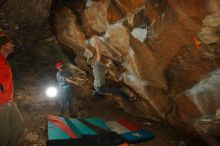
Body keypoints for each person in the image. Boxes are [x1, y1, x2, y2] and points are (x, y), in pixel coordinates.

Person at [91, 36, 136, 102]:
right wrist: (96, 40)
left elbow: (97, 55)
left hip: (97, 85)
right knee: (117, 90)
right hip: (100, 88)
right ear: (95, 61)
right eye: (95, 58)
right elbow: (98, 52)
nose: (96, 57)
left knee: (111, 85)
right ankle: (129, 99)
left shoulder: (94, 65)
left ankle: (97, 93)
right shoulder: (97, 65)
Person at [0, 31, 25, 146]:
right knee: (4, 135)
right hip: (0, 104)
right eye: (11, 43)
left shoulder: (5, 62)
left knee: (19, 128)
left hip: (9, 101)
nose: (13, 45)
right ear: (4, 45)